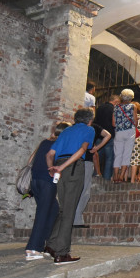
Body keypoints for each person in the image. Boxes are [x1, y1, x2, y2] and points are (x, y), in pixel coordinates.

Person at [44, 108, 95, 264]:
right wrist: (63, 166)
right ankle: (62, 253)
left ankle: (51, 245)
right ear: (89, 120)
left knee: (63, 208)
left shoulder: (66, 131)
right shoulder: (89, 129)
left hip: (59, 167)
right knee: (69, 210)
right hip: (73, 167)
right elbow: (82, 150)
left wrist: (52, 168)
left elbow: (49, 154)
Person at [24, 122, 71, 261]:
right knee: (43, 213)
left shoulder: (45, 142)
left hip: (36, 180)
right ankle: (32, 248)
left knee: (53, 209)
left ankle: (43, 242)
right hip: (46, 181)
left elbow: (31, 159)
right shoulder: (60, 144)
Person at [73, 122, 111, 228]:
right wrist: (97, 148)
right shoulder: (92, 127)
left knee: (74, 189)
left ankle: (71, 219)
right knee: (84, 190)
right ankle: (76, 219)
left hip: (72, 160)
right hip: (86, 161)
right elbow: (108, 135)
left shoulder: (73, 127)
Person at [113, 89, 138, 183]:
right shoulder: (133, 106)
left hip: (118, 132)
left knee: (117, 154)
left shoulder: (116, 107)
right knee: (126, 155)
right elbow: (135, 121)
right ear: (131, 97)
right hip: (129, 131)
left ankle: (115, 176)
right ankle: (121, 176)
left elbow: (113, 123)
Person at [94, 95, 119, 180]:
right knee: (109, 158)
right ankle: (107, 179)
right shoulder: (114, 109)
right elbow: (114, 123)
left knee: (97, 157)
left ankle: (95, 176)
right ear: (116, 102)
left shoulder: (99, 107)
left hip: (99, 135)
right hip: (109, 136)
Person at [129, 101, 140, 183]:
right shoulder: (138, 117)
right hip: (136, 141)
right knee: (134, 161)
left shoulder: (126, 116)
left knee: (126, 160)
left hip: (126, 140)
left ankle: (125, 178)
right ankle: (132, 180)